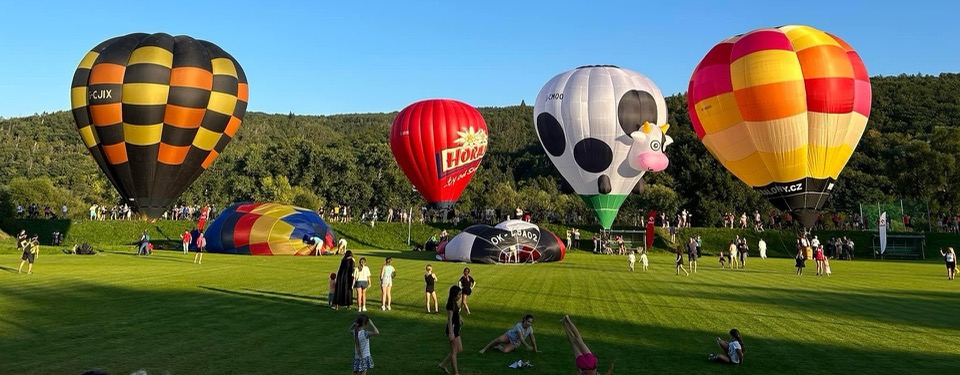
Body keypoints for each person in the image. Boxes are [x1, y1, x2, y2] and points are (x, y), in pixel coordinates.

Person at [439, 285, 464, 375]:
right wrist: (451, 333)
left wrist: (459, 317)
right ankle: (456, 373)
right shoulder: (450, 304)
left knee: (459, 349)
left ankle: (443, 364)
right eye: (459, 295)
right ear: (454, 295)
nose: (460, 296)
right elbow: (449, 319)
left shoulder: (454, 302)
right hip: (452, 329)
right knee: (454, 352)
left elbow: (455, 313)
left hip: (456, 328)